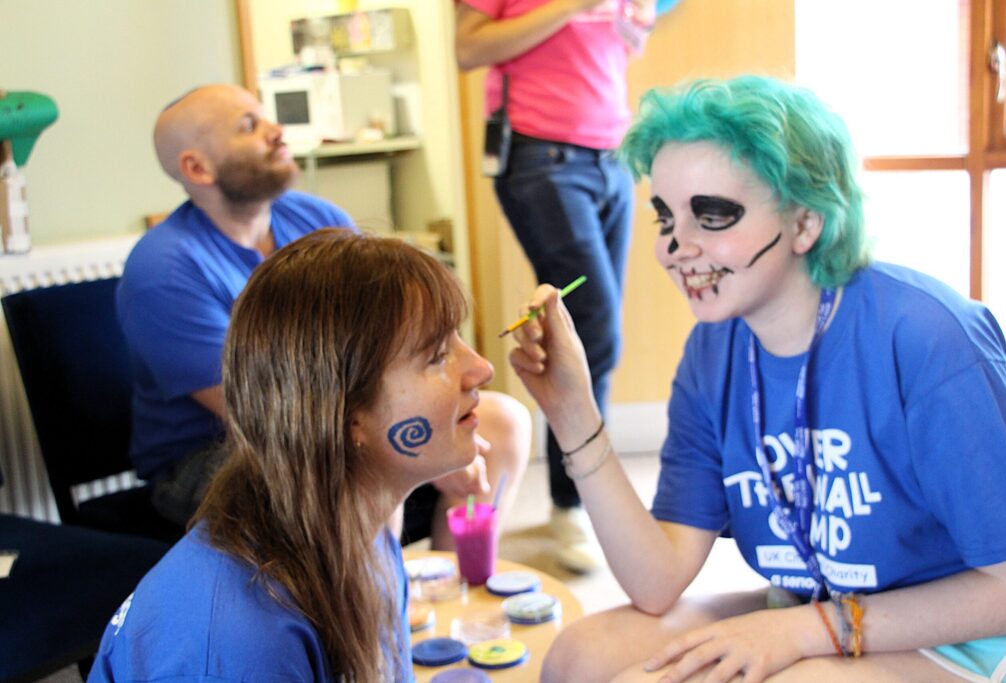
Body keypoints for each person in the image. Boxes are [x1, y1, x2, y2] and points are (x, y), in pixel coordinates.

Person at [509, 75, 1006, 682]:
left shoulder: (927, 337)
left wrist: (806, 632)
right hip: (811, 608)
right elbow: (658, 580)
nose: (676, 247)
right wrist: (574, 416)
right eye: (665, 217)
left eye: (712, 215)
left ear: (805, 223)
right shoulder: (713, 350)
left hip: (964, 632)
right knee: (580, 659)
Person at [117, 83, 528, 548]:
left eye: (267, 117)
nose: (277, 131)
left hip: (338, 411)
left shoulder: (316, 217)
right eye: (250, 127)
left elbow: (383, 342)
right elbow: (265, 411)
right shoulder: (163, 271)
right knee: (350, 462)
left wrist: (444, 431)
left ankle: (448, 597)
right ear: (197, 167)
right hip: (213, 451)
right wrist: (429, 444)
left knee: (500, 422)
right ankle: (376, 612)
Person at [88, 228, 490, 681]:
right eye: (437, 355)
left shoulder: (364, 537)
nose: (482, 368)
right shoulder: (244, 642)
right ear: (343, 413)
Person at [454, 0, 654, 573]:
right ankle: (575, 502)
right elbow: (470, 48)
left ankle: (579, 501)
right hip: (541, 157)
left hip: (611, 156)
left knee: (596, 334)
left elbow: (620, 43)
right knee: (593, 328)